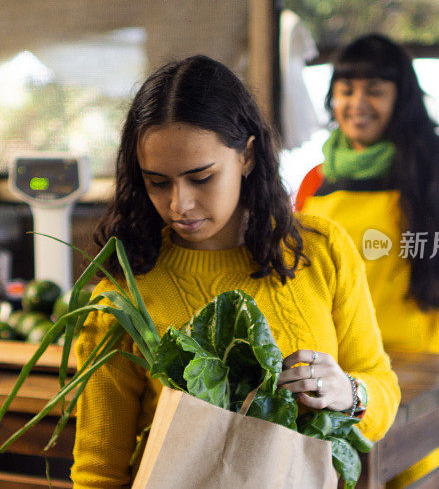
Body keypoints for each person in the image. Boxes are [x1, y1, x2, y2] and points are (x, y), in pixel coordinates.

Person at [71, 55, 401, 487]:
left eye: (201, 178)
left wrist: (348, 393)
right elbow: (99, 470)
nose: (179, 204)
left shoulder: (320, 251)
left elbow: (382, 391)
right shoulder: (123, 297)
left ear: (246, 155)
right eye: (157, 181)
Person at [294, 33, 439, 486]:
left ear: (401, 97)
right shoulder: (316, 180)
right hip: (335, 370)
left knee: (415, 474)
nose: (357, 103)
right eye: (346, 89)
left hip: (415, 371)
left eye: (375, 89)